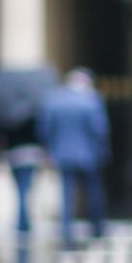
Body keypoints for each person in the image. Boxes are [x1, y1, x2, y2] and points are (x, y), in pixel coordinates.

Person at [37, 68, 111, 246]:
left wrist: (50, 149)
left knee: (66, 193)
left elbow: (45, 129)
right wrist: (103, 151)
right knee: (93, 192)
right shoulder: (91, 101)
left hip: (62, 154)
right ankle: (97, 226)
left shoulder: (55, 100)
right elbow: (100, 129)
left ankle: (66, 228)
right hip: (88, 154)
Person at [1, 117, 45, 234]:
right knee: (25, 188)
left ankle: (22, 221)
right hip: (30, 154)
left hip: (14, 155)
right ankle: (24, 221)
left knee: (20, 189)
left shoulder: (9, 117)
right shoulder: (32, 118)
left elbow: (4, 138)